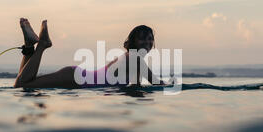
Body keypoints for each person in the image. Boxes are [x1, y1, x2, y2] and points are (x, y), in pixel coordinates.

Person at [14, 18, 164, 88]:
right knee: (22, 85)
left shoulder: (132, 60)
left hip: (76, 77)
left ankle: (29, 46)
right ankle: (42, 46)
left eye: (150, 39)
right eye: (143, 39)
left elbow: (135, 87)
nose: (147, 43)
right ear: (134, 42)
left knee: (25, 86)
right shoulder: (134, 58)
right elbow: (158, 84)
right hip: (75, 79)